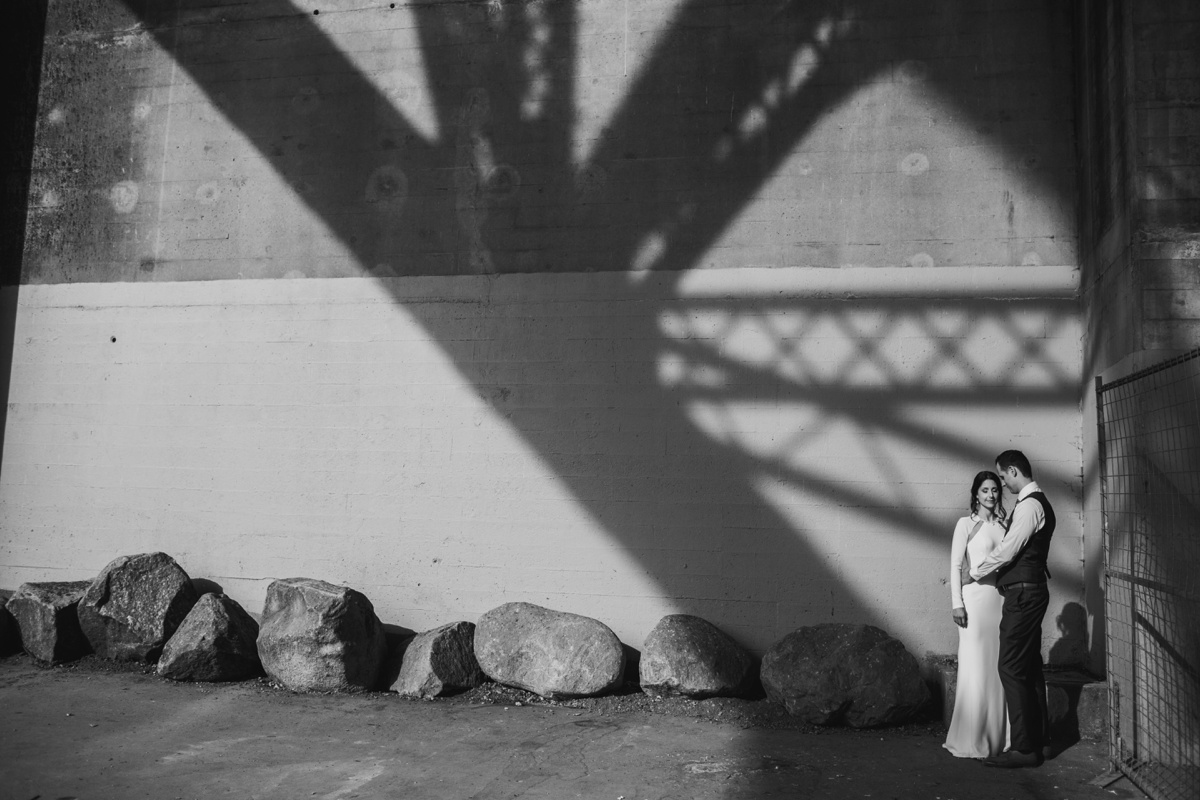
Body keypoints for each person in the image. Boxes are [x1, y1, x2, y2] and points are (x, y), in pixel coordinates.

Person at [969, 450, 1055, 768]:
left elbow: (1008, 550)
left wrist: (976, 571)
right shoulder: (1031, 504)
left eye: (1003, 477)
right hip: (1027, 593)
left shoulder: (1031, 505)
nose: (1002, 483)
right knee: (1029, 667)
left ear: (1014, 470)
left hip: (1023, 597)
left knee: (1009, 666)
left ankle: (1023, 748)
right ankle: (1040, 741)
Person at [943, 471, 1009, 758]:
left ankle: (997, 737)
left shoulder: (1004, 526)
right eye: (985, 491)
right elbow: (956, 564)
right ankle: (970, 738)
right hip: (973, 601)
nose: (991, 496)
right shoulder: (965, 524)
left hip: (998, 601)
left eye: (995, 490)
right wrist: (956, 603)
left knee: (996, 666)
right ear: (976, 494)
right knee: (974, 666)